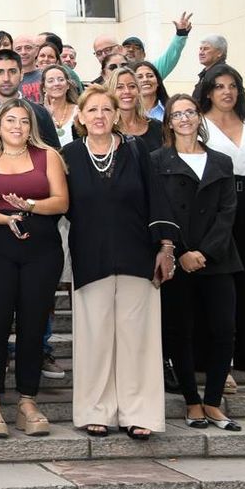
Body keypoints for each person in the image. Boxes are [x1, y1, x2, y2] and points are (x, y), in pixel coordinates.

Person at [62, 84, 177, 440]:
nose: (99, 116)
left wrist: (166, 246)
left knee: (137, 338)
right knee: (94, 336)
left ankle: (138, 411)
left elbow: (157, 198)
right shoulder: (67, 155)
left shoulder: (136, 150)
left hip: (137, 254)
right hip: (90, 256)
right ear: (80, 117)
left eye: (105, 110)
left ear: (116, 116)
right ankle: (94, 410)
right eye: (91, 110)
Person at [0, 99, 68, 438]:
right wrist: (7, 218)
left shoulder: (49, 156)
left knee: (33, 324)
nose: (17, 126)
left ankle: (28, 401)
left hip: (41, 251)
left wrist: (29, 206)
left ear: (31, 127)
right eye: (10, 120)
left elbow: (62, 201)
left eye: (24, 121)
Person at [152, 94, 242, 431]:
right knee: (180, 331)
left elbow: (227, 211)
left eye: (190, 112)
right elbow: (162, 210)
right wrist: (183, 251)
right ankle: (192, 402)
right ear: (169, 122)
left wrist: (205, 252)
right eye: (178, 114)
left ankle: (214, 402)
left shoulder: (221, 161)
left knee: (223, 330)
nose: (185, 119)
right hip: (178, 257)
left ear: (198, 118)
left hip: (218, 259)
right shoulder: (157, 160)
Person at [198, 63, 245, 394]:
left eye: (232, 85)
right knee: (220, 291)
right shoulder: (201, 126)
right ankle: (218, 365)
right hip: (216, 208)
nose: (227, 91)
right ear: (209, 91)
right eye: (220, 86)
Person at [0, 50, 61, 149]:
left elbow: (55, 154)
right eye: (0, 72)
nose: (6, 78)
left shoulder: (40, 113)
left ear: (21, 74)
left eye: (12, 71)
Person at [109, 67, 163, 151]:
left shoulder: (158, 127)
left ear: (138, 91)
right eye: (119, 87)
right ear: (111, 93)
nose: (127, 91)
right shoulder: (106, 130)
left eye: (132, 86)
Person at [42, 64, 79, 146]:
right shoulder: (37, 113)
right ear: (43, 87)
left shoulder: (79, 110)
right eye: (50, 81)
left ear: (68, 85)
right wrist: (47, 117)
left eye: (61, 79)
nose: (56, 83)